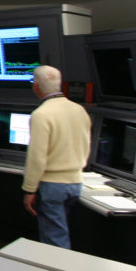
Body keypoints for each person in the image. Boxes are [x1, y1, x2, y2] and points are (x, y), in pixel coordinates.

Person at [22, 65, 92, 248]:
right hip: (75, 183)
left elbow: (37, 157)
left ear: (36, 86)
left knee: (54, 239)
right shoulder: (79, 110)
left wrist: (29, 189)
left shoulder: (41, 114)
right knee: (63, 232)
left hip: (52, 186)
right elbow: (85, 145)